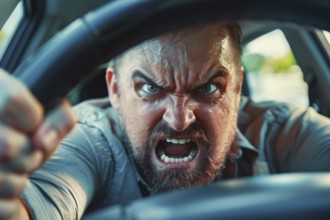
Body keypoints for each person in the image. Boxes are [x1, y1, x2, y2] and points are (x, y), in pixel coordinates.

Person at [0, 22, 330, 219]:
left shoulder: (284, 131)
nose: (179, 119)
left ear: (238, 87)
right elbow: (35, 203)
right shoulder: (89, 140)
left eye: (209, 87)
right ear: (115, 90)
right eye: (149, 88)